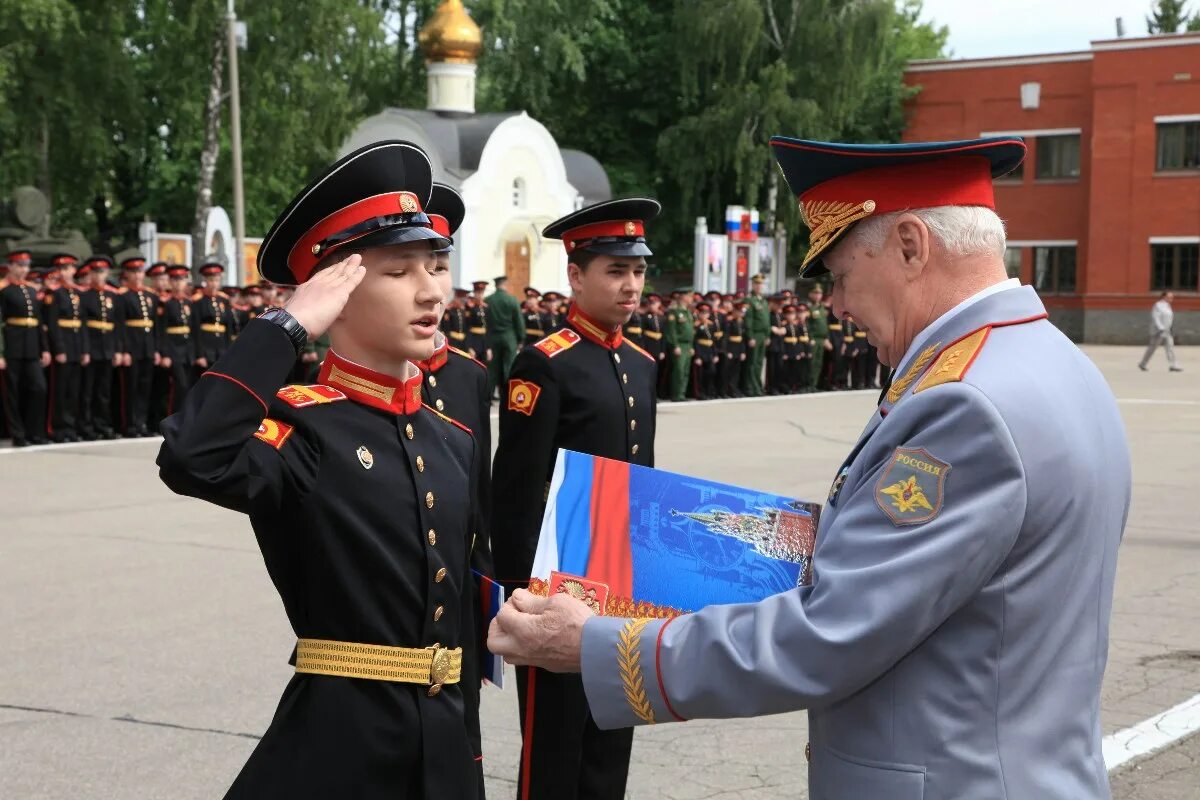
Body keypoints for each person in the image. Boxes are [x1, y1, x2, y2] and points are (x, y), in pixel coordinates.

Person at [488, 136, 1132, 800]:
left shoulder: (965, 405)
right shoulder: (1052, 364)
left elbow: (830, 634)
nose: (836, 307)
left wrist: (601, 645)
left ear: (911, 247)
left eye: (843, 275)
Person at [157, 140, 481, 798]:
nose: (431, 291)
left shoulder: (452, 437)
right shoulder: (304, 432)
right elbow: (192, 456)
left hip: (444, 748)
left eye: (437, 266)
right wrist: (285, 325)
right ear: (336, 292)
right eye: (399, 272)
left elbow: (457, 617)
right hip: (340, 750)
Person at [491, 197, 661, 800]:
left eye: (637, 271)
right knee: (556, 744)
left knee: (612, 733)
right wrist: (517, 597)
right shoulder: (544, 365)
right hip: (557, 588)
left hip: (624, 588)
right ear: (575, 275)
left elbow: (641, 484)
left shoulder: (641, 365)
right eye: (615, 271)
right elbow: (513, 492)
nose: (630, 286)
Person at [421, 181, 493, 795]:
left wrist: (489, 579)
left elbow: (482, 492)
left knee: (464, 725)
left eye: (441, 266)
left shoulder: (470, 375)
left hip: (461, 583)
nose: (433, 287)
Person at [1, 250, 50, 445]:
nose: (23, 270)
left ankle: (34, 432)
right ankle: (18, 434)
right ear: (10, 267)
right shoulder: (4, 291)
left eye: (26, 266)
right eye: (20, 266)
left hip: (31, 347)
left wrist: (44, 348)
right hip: (12, 346)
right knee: (13, 392)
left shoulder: (31, 290)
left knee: (39, 388)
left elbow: (38, 322)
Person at [116, 256, 162, 437]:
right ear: (127, 274)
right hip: (132, 347)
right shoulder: (123, 296)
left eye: (140, 272)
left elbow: (156, 326)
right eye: (133, 272)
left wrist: (156, 349)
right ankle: (129, 424)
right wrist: (124, 349)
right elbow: (120, 325)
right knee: (131, 388)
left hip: (147, 347)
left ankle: (141, 423)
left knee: (145, 388)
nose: (138, 276)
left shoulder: (150, 296)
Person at [78, 256, 122, 440]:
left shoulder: (112, 296)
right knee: (87, 391)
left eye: (102, 272)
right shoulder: (84, 296)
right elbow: (82, 326)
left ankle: (102, 425)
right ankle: (86, 426)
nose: (99, 276)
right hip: (92, 347)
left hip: (107, 347)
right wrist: (85, 350)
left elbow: (117, 325)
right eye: (95, 272)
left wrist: (118, 349)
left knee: (104, 392)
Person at [43, 254, 86, 442]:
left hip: (76, 344)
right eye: (61, 269)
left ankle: (70, 427)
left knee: (74, 390)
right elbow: (52, 323)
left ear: (73, 270)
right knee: (60, 390)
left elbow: (82, 323)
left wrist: (85, 349)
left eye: (67, 268)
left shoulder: (77, 293)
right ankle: (58, 428)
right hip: (63, 345)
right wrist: (59, 348)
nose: (64, 272)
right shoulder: (54, 293)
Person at [159, 266, 197, 415]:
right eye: (175, 280)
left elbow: (193, 330)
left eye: (181, 279)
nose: (178, 283)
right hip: (173, 349)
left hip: (187, 349)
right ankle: (173, 416)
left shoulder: (189, 303)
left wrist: (194, 352)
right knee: (179, 385)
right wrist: (165, 353)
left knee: (188, 385)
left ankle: (183, 417)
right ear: (170, 282)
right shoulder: (166, 303)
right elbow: (162, 331)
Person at [484, 274, 524, 398]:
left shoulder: (488, 300)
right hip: (509, 337)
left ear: (496, 285)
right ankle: (508, 394)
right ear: (505, 285)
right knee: (508, 366)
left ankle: (488, 394)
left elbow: (485, 321)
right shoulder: (512, 300)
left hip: (493, 337)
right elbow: (518, 321)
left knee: (493, 367)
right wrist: (521, 338)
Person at [192, 260, 232, 376]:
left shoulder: (224, 300)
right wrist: (199, 354)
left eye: (216, 280)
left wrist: (229, 351)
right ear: (205, 281)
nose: (213, 284)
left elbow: (228, 328)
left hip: (221, 347)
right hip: (206, 347)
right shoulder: (198, 300)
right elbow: (196, 329)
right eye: (210, 280)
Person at [1138, 291, 1183, 372]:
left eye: (1172, 297)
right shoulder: (1158, 305)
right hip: (1158, 332)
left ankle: (1173, 365)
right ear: (1164, 297)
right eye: (1169, 297)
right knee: (1152, 348)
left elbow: (1169, 319)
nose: (1171, 299)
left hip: (1167, 331)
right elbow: (1156, 317)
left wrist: (1169, 328)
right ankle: (1143, 363)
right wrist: (1160, 328)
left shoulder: (1168, 306)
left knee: (1170, 347)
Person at [663, 286, 694, 402]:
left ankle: (682, 393)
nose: (691, 299)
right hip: (679, 345)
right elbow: (671, 332)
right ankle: (676, 394)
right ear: (682, 297)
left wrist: (691, 346)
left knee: (685, 371)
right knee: (679, 370)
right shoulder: (674, 312)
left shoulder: (688, 312)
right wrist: (675, 345)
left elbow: (691, 331)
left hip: (687, 345)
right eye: (689, 296)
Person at [741, 273, 770, 396]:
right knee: (752, 363)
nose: (759, 286)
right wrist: (750, 336)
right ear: (752, 285)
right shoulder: (749, 300)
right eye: (756, 284)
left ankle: (758, 386)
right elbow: (748, 320)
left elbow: (767, 320)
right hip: (755, 335)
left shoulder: (763, 300)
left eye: (760, 284)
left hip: (763, 335)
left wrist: (767, 335)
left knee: (759, 362)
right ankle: (751, 388)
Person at [805, 283, 830, 391]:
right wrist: (810, 338)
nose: (817, 296)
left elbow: (825, 324)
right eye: (815, 293)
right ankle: (809, 384)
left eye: (819, 293)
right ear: (810, 294)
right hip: (813, 339)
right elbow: (807, 325)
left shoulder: (822, 308)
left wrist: (826, 338)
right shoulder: (808, 307)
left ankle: (814, 384)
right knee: (811, 362)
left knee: (818, 363)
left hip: (822, 339)